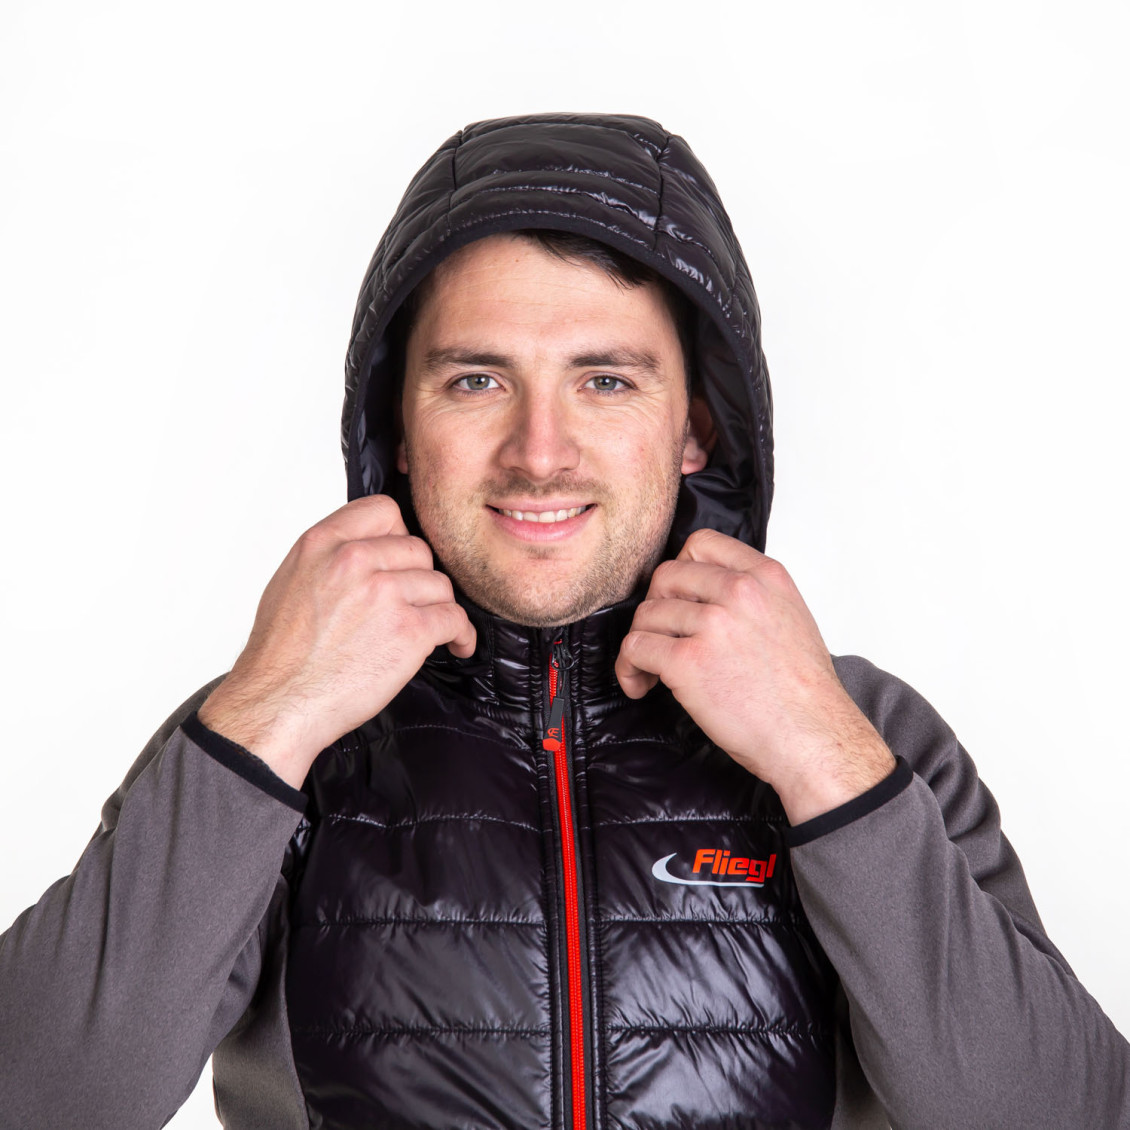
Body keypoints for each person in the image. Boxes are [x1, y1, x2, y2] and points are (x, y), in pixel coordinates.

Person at [1, 112, 1126, 1130]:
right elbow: (44, 1098)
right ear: (399, 429)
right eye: (476, 381)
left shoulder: (862, 727)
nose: (539, 454)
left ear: (697, 429)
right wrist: (264, 721)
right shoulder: (270, 732)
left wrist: (825, 763)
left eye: (606, 381)